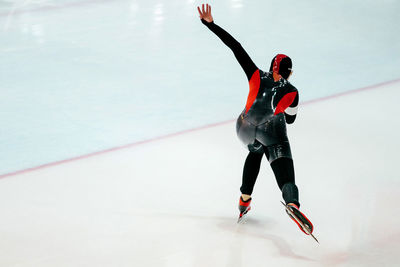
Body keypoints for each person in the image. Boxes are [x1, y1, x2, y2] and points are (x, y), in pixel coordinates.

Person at [197, 3, 314, 235]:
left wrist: (210, 24)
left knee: (256, 149)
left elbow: (235, 47)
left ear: (271, 67)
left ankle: (244, 199)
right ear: (289, 72)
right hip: (270, 131)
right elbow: (290, 121)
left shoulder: (255, 74)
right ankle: (292, 202)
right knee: (278, 144)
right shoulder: (292, 91)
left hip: (243, 128)